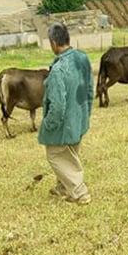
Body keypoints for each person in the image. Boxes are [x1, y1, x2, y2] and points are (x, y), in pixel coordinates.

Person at [38, 22, 94, 205]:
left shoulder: (58, 71)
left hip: (64, 124)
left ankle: (79, 192)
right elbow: (89, 90)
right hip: (80, 117)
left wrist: (48, 125)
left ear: (54, 42)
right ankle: (63, 187)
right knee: (70, 153)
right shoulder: (82, 58)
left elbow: (58, 106)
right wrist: (86, 113)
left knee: (55, 154)